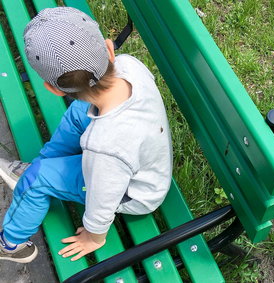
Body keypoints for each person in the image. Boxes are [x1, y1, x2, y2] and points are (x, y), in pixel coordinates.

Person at [0, 7, 172, 263]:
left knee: (36, 180)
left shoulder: (104, 146)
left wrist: (94, 237)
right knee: (81, 111)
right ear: (109, 49)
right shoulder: (129, 65)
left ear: (54, 90)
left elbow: (103, 198)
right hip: (139, 158)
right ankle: (41, 165)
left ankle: (10, 245)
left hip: (134, 193)